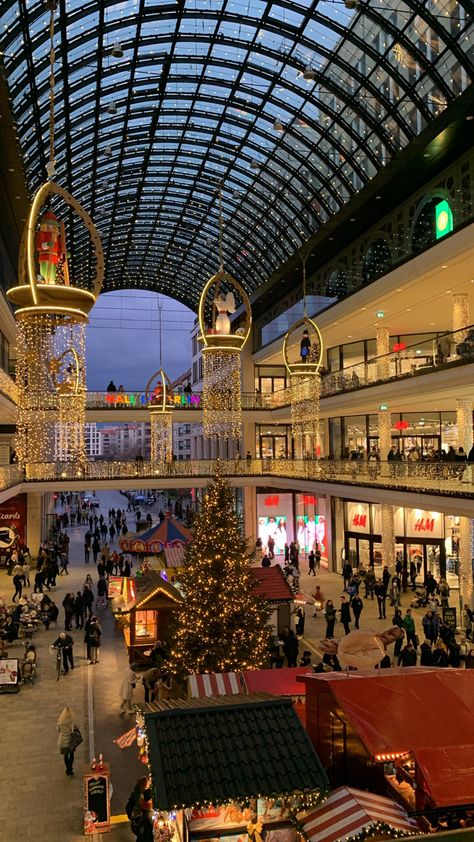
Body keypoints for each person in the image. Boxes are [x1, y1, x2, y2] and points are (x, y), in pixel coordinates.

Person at [57, 707, 79, 776]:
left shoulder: (60, 722)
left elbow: (58, 730)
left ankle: (67, 769)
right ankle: (70, 768)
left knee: (65, 756)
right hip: (70, 741)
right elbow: (76, 728)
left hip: (63, 741)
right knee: (71, 755)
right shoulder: (72, 721)